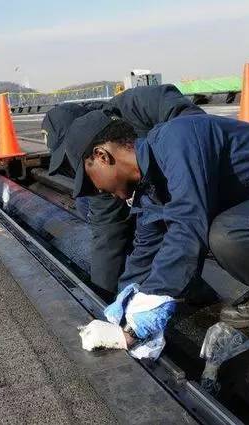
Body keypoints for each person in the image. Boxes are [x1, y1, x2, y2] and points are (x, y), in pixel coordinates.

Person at [71, 112, 249, 380]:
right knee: (219, 231)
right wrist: (119, 317)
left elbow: (189, 221)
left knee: (224, 232)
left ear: (102, 155)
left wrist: (153, 305)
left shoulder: (179, 138)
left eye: (91, 180)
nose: (98, 191)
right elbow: (146, 251)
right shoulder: (150, 190)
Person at [43, 84, 204, 298]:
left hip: (200, 175)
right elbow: (107, 233)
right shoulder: (100, 163)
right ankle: (152, 280)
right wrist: (106, 300)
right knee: (89, 204)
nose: (72, 162)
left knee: (199, 227)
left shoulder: (138, 105)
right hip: (153, 190)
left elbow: (195, 129)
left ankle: (179, 279)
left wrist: (172, 177)